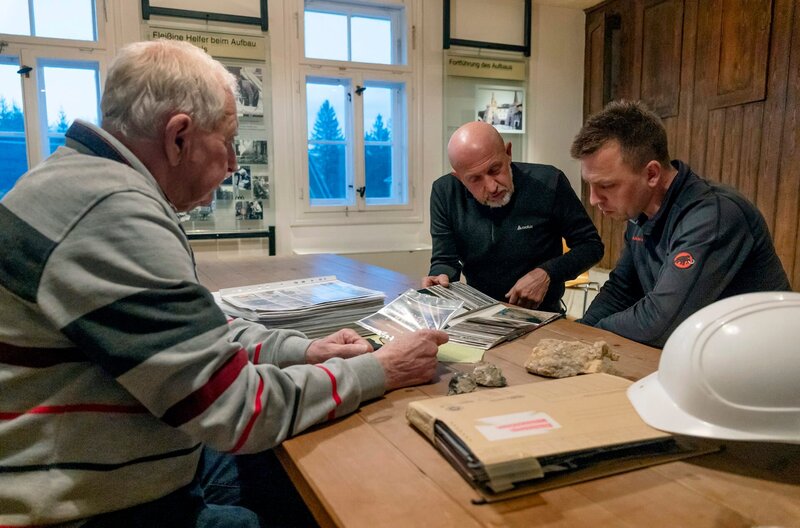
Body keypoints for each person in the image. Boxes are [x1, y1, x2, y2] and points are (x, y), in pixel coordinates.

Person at [0, 40, 447, 527]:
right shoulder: (111, 212)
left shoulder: (84, 183)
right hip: (86, 509)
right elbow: (237, 409)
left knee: (265, 475)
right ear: (178, 137)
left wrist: (304, 351)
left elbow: (192, 335)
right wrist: (383, 370)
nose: (234, 164)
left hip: (107, 467)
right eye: (229, 142)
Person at [571, 100, 790, 348]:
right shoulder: (640, 214)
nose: (593, 199)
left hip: (764, 361)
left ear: (651, 174)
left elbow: (661, 323)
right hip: (711, 355)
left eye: (607, 185)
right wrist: (583, 333)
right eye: (590, 184)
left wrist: (597, 334)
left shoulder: (714, 215)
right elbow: (622, 290)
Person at [423, 121, 604, 312]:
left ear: (508, 153)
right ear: (459, 178)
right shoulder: (445, 193)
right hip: (479, 313)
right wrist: (439, 277)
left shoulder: (548, 182)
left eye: (495, 170)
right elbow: (444, 260)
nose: (492, 187)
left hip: (541, 314)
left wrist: (547, 273)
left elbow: (591, 246)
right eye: (475, 179)